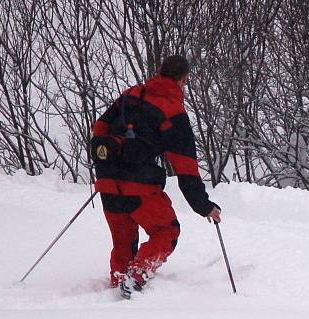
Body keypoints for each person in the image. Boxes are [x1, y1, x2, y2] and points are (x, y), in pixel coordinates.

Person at [91, 55, 221, 299]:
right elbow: (186, 167)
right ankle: (137, 276)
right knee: (166, 231)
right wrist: (204, 206)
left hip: (107, 183)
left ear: (160, 72)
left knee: (123, 241)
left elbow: (99, 127)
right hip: (139, 186)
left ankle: (118, 286)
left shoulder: (131, 94)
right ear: (183, 79)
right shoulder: (172, 111)